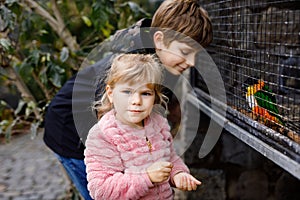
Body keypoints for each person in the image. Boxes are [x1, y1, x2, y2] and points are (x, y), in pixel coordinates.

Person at [43, 0, 212, 199]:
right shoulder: (131, 64)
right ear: (159, 40)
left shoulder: (160, 54)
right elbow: (111, 128)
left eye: (196, 55)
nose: (192, 62)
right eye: (185, 52)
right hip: (70, 131)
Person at [84, 53, 201, 200]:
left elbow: (170, 158)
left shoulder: (158, 124)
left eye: (145, 93)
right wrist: (146, 177)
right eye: (127, 92)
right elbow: (101, 190)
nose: (136, 101)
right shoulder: (102, 136)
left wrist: (178, 174)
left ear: (155, 96)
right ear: (111, 93)